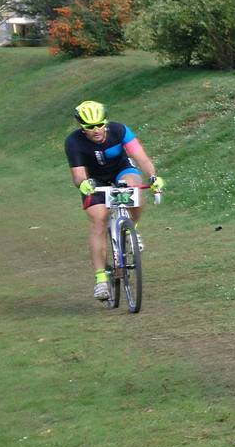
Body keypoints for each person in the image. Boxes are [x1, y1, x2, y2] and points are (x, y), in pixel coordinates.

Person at [64, 100, 163, 301]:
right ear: (81, 126)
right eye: (90, 127)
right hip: (94, 181)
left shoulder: (120, 130)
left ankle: (130, 229)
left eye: (100, 124)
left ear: (106, 121)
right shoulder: (73, 142)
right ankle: (101, 279)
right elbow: (78, 175)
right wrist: (83, 184)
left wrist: (153, 177)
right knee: (99, 220)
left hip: (121, 170)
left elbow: (141, 158)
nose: (96, 130)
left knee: (134, 190)